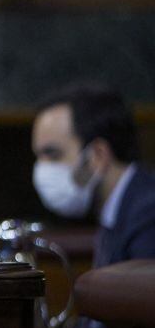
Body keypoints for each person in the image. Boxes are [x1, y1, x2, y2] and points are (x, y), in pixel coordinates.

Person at [31, 83, 155, 267]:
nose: (42, 169)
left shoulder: (148, 215)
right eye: (39, 156)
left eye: (53, 154)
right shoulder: (117, 210)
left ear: (98, 155)